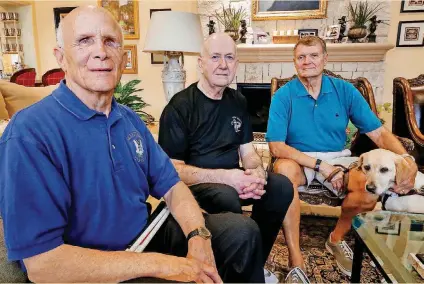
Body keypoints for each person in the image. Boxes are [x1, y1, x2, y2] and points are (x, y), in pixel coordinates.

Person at [0, 6, 266, 283]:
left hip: (145, 235)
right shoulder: (29, 133)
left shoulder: (129, 120)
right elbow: (42, 265)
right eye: (84, 40)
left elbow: (173, 187)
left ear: (123, 58)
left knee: (242, 232)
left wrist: (198, 235)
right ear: (61, 58)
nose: (101, 51)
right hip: (88, 264)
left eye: (110, 41)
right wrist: (162, 265)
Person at [158, 33, 308, 283]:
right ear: (201, 63)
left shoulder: (237, 100)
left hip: (234, 179)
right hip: (197, 185)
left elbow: (248, 153)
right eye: (215, 57)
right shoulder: (179, 106)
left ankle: (252, 262)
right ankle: (237, 261)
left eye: (229, 57)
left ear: (237, 64)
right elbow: (171, 170)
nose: (223, 64)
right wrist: (228, 178)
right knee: (226, 195)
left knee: (280, 186)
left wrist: (256, 173)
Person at [267, 36, 418, 277]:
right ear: (295, 62)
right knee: (283, 172)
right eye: (301, 57)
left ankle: (336, 239)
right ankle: (296, 258)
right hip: (299, 159)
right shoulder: (283, 96)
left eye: (314, 55)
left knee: (370, 186)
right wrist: (321, 166)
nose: (307, 62)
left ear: (325, 58)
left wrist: (407, 160)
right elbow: (276, 147)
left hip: (339, 158)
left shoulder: (345, 91)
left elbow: (379, 134)